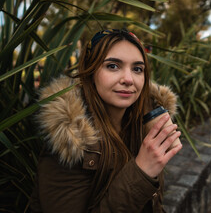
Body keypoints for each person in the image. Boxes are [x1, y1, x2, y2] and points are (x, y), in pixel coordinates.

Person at [30, 29, 183, 212]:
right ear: (90, 71)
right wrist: (141, 171)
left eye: (137, 69)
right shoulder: (71, 140)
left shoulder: (145, 121)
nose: (128, 79)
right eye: (113, 66)